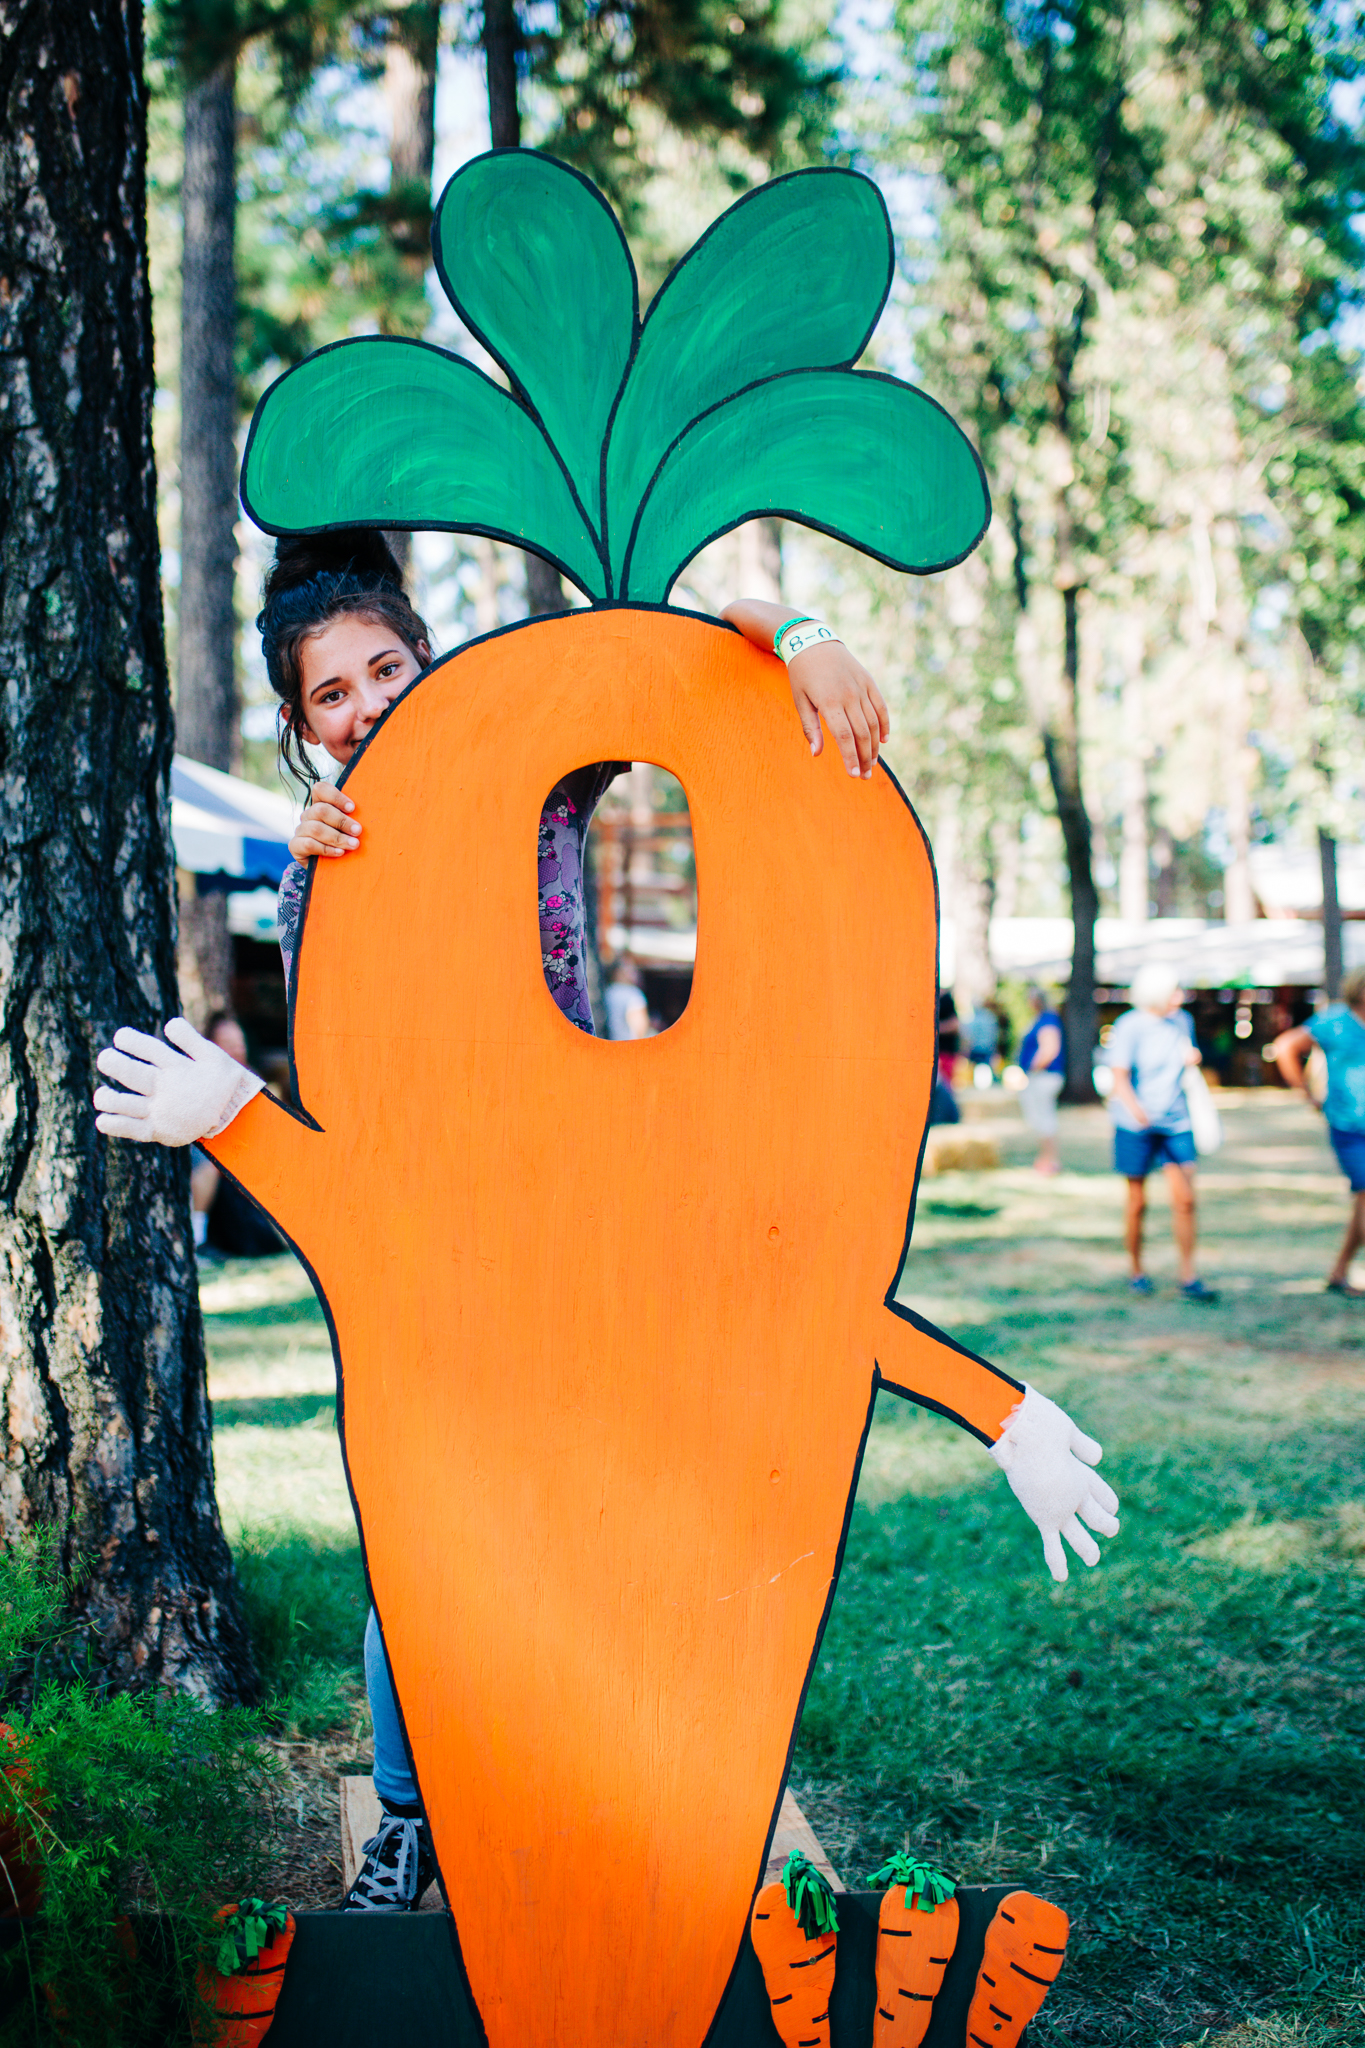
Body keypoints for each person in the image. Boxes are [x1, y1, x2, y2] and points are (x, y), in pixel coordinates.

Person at [261, 533, 893, 1909]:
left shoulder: (543, 789)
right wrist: (308, 860)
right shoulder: (324, 861)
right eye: (331, 694)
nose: (368, 702)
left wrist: (801, 635)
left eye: (387, 665)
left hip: (588, 1212)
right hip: (437, 1242)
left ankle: (605, 1770)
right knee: (427, 1534)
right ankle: (416, 1809)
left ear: (429, 659)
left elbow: (670, 645)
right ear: (301, 728)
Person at [1107, 964, 1217, 1301]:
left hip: (1176, 1122)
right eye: (1174, 991)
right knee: (1137, 1202)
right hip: (1136, 1125)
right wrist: (1139, 1113)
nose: (1180, 997)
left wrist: (1190, 1058)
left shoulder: (1182, 1022)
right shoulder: (1129, 1026)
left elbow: (1184, 1058)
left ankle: (1188, 1275)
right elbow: (1119, 1077)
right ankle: (1136, 1270)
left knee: (1185, 1199)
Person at [1271, 970, 1365, 1297]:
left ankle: (1339, 1272)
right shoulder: (1335, 1021)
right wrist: (1306, 1093)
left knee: (1362, 1202)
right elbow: (1285, 1047)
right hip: (1349, 1126)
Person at [1018, 986, 1065, 1175]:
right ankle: (1045, 1159)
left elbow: (1050, 1049)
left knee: (1044, 1118)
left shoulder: (1047, 1020)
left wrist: (1033, 1068)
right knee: (1039, 1118)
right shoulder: (1040, 1019)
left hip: (1043, 1076)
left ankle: (1049, 1160)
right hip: (1039, 1076)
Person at [605, 957, 650, 1041]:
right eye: (631, 970)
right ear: (619, 973)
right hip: (629, 1045)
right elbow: (639, 1027)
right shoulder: (633, 994)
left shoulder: (608, 992)